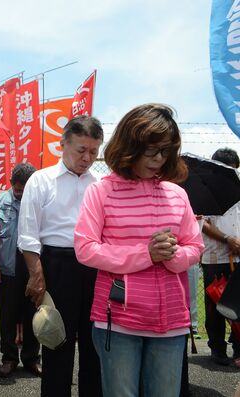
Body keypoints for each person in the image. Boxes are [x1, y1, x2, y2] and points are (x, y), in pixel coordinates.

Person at [74, 103, 204, 397]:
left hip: (171, 322)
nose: (158, 159)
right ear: (129, 144)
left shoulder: (177, 194)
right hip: (118, 322)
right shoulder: (102, 191)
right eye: (151, 150)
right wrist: (146, 254)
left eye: (165, 151)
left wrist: (175, 256)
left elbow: (195, 247)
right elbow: (85, 249)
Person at [18, 115, 104, 397]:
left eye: (94, 151)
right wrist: (36, 274)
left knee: (95, 343)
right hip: (56, 266)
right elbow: (28, 234)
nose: (87, 158)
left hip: (95, 265)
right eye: (81, 150)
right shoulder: (40, 180)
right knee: (57, 341)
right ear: (62, 145)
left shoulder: (101, 184)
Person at [0, 162, 40, 378]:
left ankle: (31, 358)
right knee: (8, 317)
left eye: (25, 190)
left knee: (33, 315)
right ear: (11, 184)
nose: (20, 194)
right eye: (17, 189)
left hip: (32, 269)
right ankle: (9, 358)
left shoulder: (40, 203)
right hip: (7, 269)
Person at [200, 147, 240, 366]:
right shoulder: (205, 189)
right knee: (214, 305)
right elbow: (202, 222)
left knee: (237, 304)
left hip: (239, 257)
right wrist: (227, 239)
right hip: (215, 257)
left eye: (232, 169)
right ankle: (217, 349)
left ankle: (239, 347)